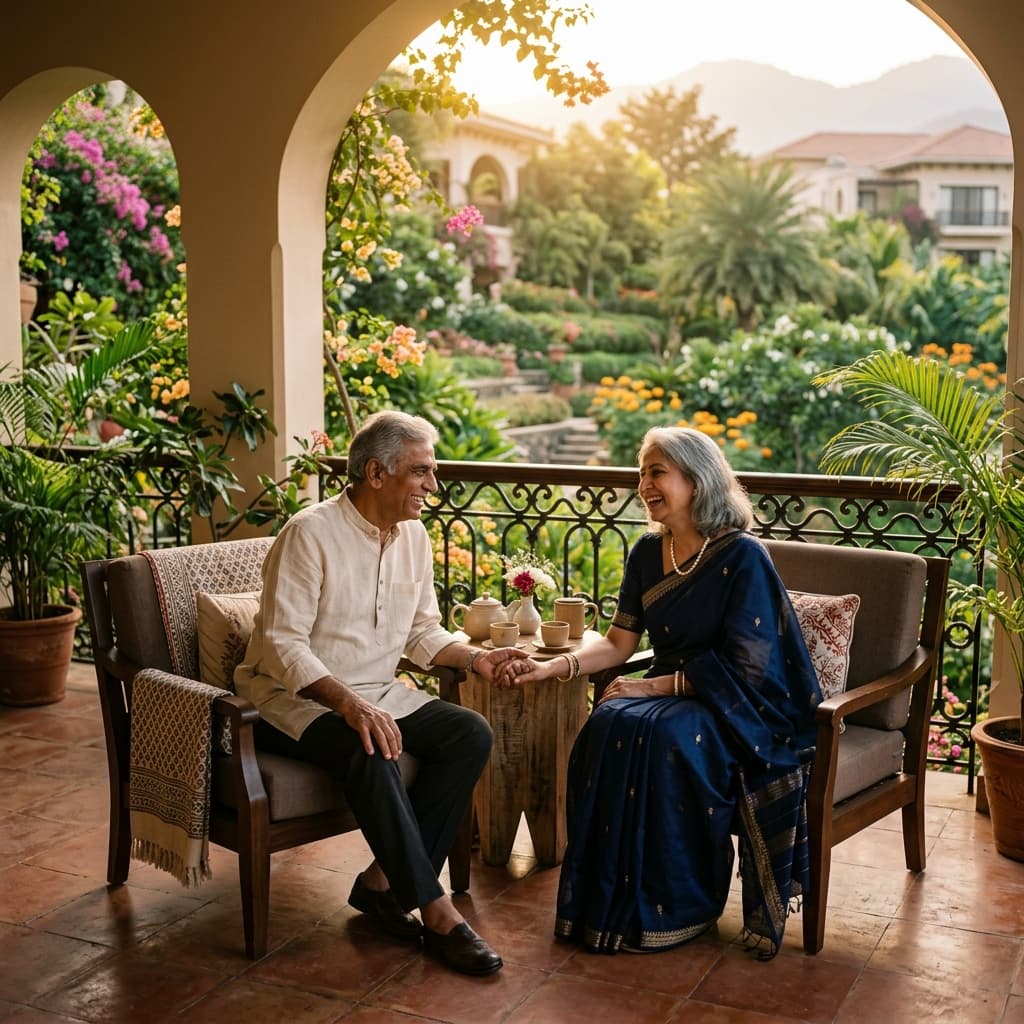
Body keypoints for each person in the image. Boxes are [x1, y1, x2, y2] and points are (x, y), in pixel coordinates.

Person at [496, 426, 822, 958]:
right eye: (641, 472)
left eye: (657, 472)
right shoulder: (648, 552)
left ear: (696, 479)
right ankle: (604, 907)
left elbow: (750, 667)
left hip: (732, 705)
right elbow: (618, 643)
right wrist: (552, 667)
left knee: (666, 736)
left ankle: (682, 908)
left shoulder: (742, 556)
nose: (644, 484)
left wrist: (649, 686)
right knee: (607, 721)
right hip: (669, 690)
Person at [235, 410, 527, 976]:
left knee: (469, 733)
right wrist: (349, 704)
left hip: (376, 693)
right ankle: (436, 910)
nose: (433, 486)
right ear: (375, 473)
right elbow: (281, 645)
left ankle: (381, 885)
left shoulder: (414, 536)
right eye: (421, 472)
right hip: (288, 701)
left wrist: (478, 658)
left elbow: (422, 631)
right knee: (371, 747)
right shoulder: (309, 534)